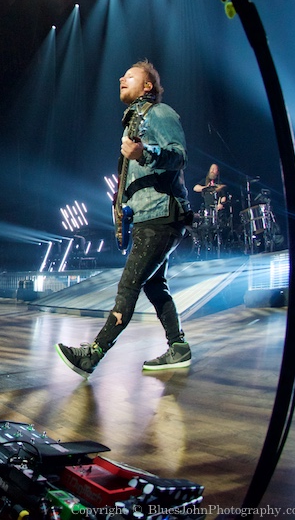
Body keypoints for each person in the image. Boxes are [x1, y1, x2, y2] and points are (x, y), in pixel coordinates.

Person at [56, 61, 192, 377]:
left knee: (129, 285)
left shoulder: (159, 113)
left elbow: (179, 155)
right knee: (156, 287)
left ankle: (92, 354)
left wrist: (144, 154)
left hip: (161, 216)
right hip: (150, 216)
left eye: (130, 76)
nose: (121, 78)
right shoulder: (134, 123)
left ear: (148, 86)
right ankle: (179, 346)